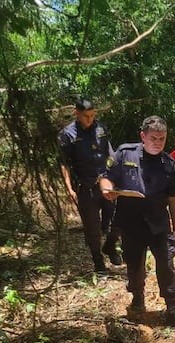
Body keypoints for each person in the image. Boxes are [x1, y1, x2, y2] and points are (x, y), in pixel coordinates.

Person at [99, 115, 175, 327]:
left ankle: (173, 307)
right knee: (134, 264)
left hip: (158, 222)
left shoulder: (168, 164)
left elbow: (173, 198)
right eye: (153, 138)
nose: (158, 142)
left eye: (162, 138)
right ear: (143, 136)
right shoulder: (125, 153)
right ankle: (137, 300)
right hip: (130, 222)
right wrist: (106, 189)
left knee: (166, 264)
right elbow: (107, 176)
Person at [58, 97, 122, 274]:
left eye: (93, 115)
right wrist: (69, 188)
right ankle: (98, 262)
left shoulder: (100, 128)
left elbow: (109, 152)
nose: (90, 119)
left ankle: (110, 246)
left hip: (105, 183)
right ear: (76, 113)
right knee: (92, 228)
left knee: (117, 218)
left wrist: (116, 174)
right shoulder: (67, 135)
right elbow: (63, 163)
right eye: (86, 116)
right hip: (85, 187)